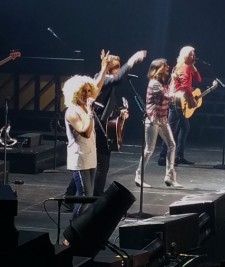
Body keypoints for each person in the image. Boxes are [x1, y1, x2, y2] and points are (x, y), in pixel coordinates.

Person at [62, 50, 146, 205]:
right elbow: (117, 78)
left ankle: (71, 196)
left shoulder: (105, 83)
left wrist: (119, 112)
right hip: (97, 127)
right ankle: (94, 198)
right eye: (116, 68)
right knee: (101, 165)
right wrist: (133, 60)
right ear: (108, 69)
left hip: (99, 126)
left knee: (93, 166)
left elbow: (107, 104)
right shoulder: (101, 80)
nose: (118, 71)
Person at [62, 52, 110, 219]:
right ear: (76, 92)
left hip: (91, 156)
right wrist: (90, 112)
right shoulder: (72, 111)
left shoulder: (84, 106)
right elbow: (86, 131)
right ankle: (73, 232)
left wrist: (104, 68)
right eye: (84, 91)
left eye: (89, 91)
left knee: (88, 197)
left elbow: (98, 85)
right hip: (79, 159)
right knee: (84, 196)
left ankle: (80, 229)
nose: (88, 94)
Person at [134, 58, 182, 188]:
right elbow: (169, 96)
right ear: (158, 68)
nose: (168, 67)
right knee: (149, 149)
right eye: (165, 65)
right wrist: (174, 82)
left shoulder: (161, 82)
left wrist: (173, 81)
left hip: (162, 119)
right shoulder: (154, 83)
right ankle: (138, 176)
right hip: (153, 119)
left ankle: (169, 176)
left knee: (172, 145)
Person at [158, 46, 201, 166]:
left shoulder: (182, 66)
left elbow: (198, 79)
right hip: (178, 102)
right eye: (192, 54)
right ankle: (163, 156)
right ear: (185, 55)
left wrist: (193, 67)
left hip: (178, 101)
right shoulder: (185, 67)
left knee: (184, 127)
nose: (194, 56)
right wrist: (191, 99)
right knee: (171, 129)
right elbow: (186, 86)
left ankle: (178, 156)